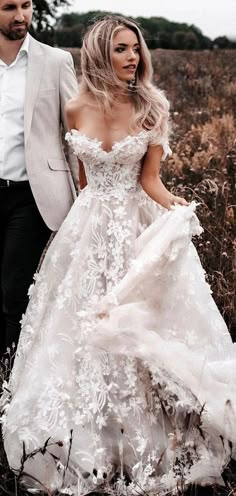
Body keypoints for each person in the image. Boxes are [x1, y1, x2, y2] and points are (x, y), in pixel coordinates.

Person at [1, 14, 236, 496]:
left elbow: (150, 182)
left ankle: (158, 428)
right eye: (122, 50)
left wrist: (177, 209)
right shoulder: (74, 108)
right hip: (85, 229)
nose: (134, 59)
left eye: (137, 49)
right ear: (99, 56)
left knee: (138, 322)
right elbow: (84, 179)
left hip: (134, 224)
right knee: (78, 328)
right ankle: (88, 435)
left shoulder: (152, 108)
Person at [0, 0, 79, 357]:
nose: (21, 16)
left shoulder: (55, 60)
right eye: (8, 7)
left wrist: (84, 196)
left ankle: (11, 376)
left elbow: (75, 135)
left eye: (27, 5)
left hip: (33, 195)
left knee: (15, 289)